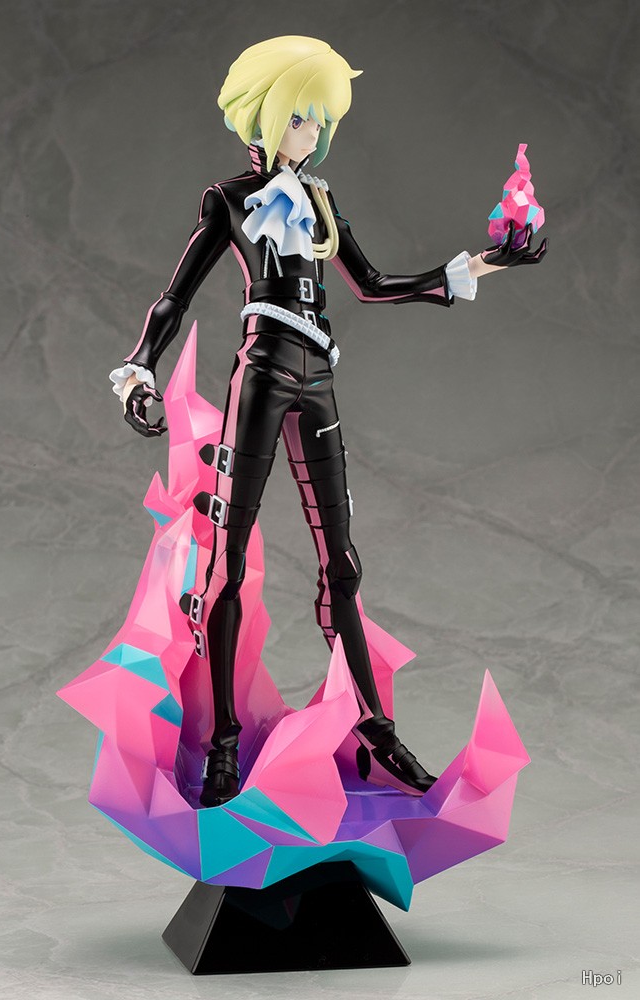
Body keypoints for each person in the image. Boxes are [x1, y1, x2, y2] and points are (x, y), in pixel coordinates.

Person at [109, 36, 548, 809]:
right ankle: (222, 742)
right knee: (226, 564)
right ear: (268, 115)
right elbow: (175, 295)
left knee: (341, 564)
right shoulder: (229, 199)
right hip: (261, 374)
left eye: (319, 120)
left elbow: (372, 284)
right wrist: (137, 368)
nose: (311, 132)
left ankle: (374, 729)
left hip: (317, 379)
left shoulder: (318, 199)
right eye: (300, 117)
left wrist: (481, 265)